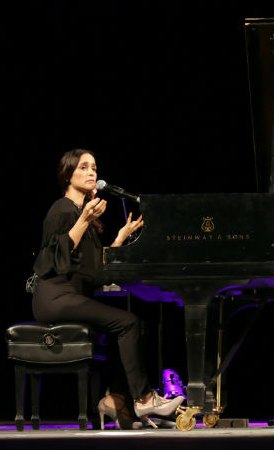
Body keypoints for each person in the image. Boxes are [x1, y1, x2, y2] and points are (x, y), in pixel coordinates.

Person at [31, 148, 184, 429]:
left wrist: (119, 239)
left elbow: (94, 269)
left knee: (135, 324)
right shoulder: (62, 209)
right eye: (84, 167)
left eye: (94, 168)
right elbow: (53, 259)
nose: (92, 173)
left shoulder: (81, 214)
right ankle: (143, 398)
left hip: (73, 295)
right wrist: (83, 220)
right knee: (127, 323)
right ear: (68, 174)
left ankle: (116, 400)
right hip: (55, 297)